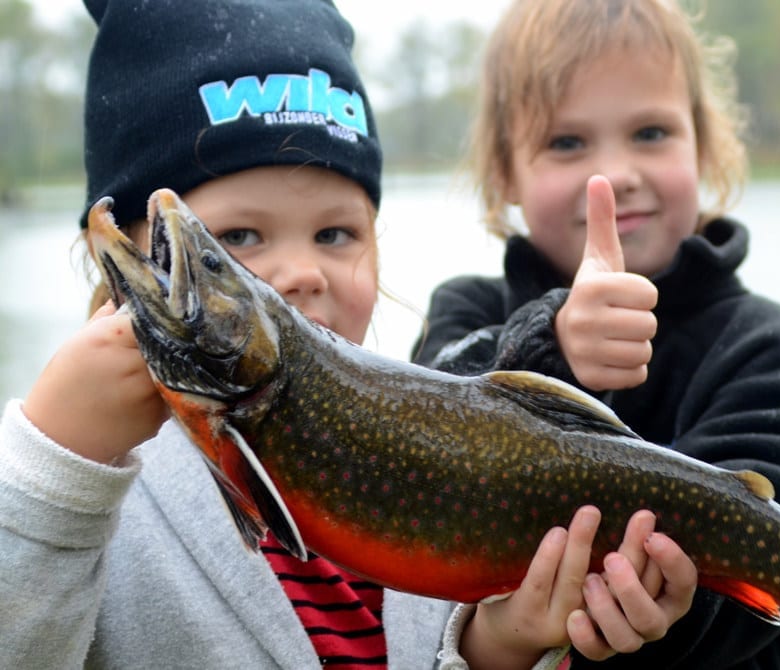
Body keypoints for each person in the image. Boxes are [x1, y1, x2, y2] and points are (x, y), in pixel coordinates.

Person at [0, 1, 698, 669]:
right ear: (122, 257)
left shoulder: (415, 441)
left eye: (335, 234)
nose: (302, 272)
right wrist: (59, 466)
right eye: (237, 238)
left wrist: (505, 643)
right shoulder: (70, 469)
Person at [412, 0, 780, 668]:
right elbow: (425, 427)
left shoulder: (768, 347)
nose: (613, 175)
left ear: (708, 145)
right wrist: (549, 345)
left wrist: (656, 608)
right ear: (503, 173)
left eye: (650, 132)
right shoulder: (465, 312)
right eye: (567, 143)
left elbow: (764, 593)